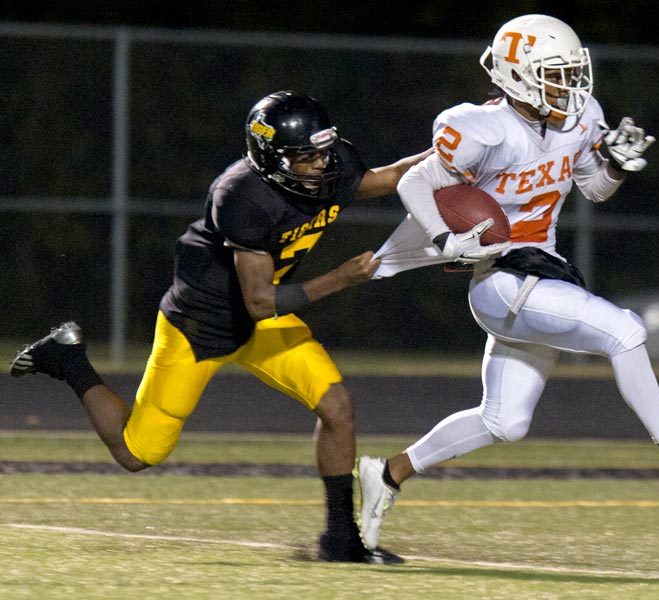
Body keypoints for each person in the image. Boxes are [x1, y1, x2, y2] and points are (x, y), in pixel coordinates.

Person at [357, 14, 659, 551]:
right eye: (555, 74)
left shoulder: (580, 116)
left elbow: (593, 189)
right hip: (499, 276)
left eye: (572, 72)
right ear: (518, 76)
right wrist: (443, 239)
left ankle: (386, 474)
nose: (570, 85)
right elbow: (415, 179)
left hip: (540, 272)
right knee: (624, 330)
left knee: (505, 421)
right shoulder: (478, 127)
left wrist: (614, 164)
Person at [9, 90, 429, 564]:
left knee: (336, 406)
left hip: (265, 321)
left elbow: (392, 177)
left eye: (323, 151)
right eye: (306, 156)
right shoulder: (242, 196)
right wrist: (341, 278)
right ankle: (66, 358)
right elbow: (257, 300)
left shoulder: (326, 164)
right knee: (136, 454)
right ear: (272, 159)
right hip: (201, 325)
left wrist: (458, 149)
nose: (321, 164)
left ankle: (340, 538)